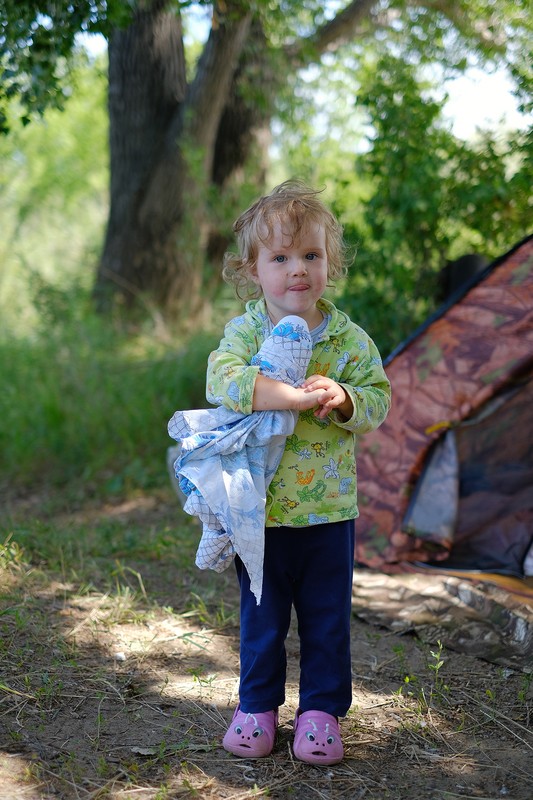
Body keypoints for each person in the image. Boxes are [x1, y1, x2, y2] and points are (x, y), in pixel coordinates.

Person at [206, 180, 391, 764]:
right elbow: (223, 380)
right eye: (280, 258)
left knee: (326, 619)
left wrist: (341, 395)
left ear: (330, 264)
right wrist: (280, 395)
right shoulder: (247, 332)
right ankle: (257, 708)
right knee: (261, 618)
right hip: (258, 510)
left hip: (329, 512)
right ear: (253, 270)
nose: (297, 271)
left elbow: (378, 399)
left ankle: (319, 713)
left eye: (310, 255)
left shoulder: (347, 340)